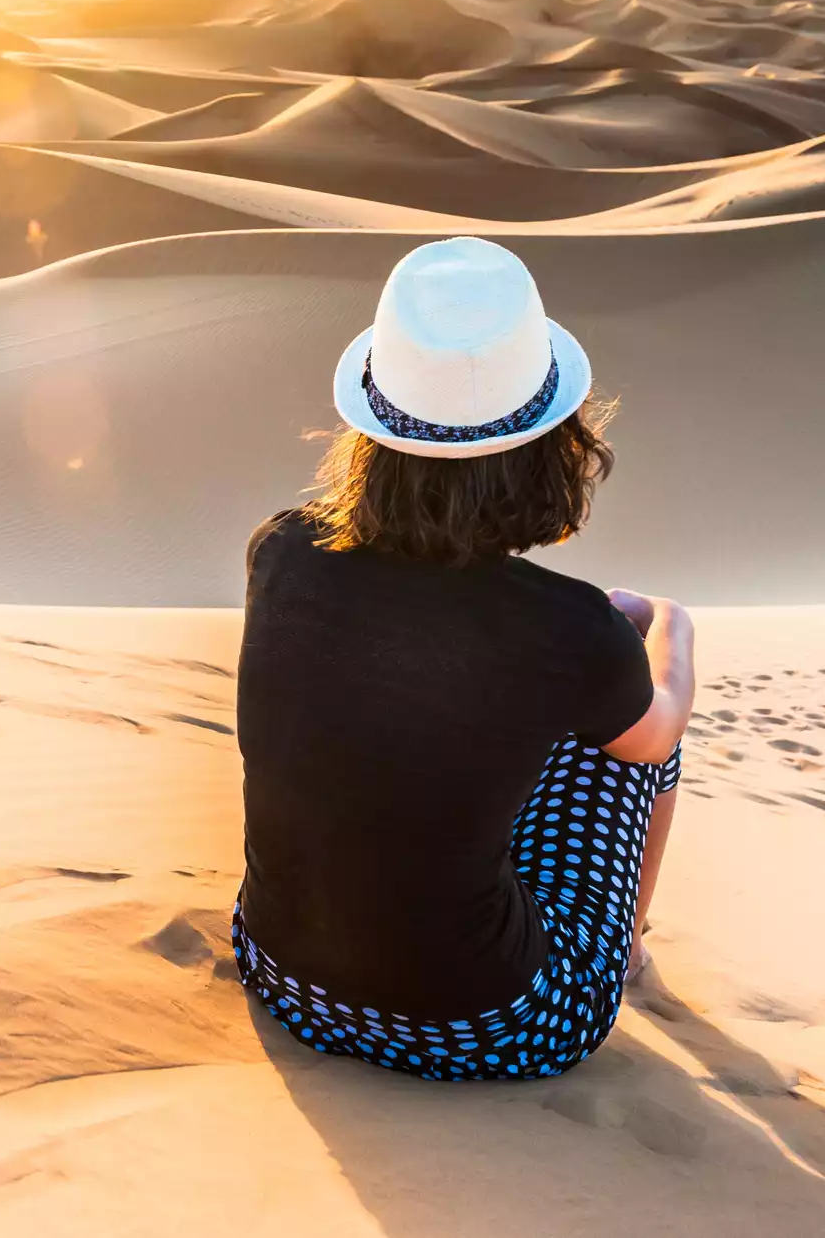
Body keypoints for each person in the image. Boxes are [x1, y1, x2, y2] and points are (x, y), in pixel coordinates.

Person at [232, 236, 696, 1081]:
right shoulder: (565, 630)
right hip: (487, 1025)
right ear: (552, 448)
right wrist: (669, 625)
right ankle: (622, 953)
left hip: (279, 976)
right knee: (637, 728)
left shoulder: (282, 548)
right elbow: (653, 735)